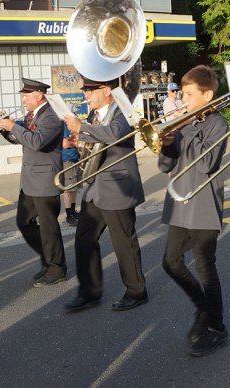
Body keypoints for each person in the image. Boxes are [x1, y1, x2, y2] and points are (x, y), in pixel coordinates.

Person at [158, 65, 229, 357]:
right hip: (179, 201)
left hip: (203, 203)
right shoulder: (184, 124)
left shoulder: (218, 124)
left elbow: (207, 163)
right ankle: (202, 306)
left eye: (188, 94)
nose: (183, 99)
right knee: (171, 262)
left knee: (204, 267)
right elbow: (165, 166)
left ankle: (216, 326)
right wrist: (167, 143)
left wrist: (184, 131)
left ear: (207, 95)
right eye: (183, 93)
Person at [63, 77, 147, 312]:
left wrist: (83, 129)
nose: (85, 96)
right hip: (95, 189)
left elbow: (114, 134)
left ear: (107, 90)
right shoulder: (93, 116)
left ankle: (136, 291)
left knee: (124, 244)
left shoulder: (122, 110)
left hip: (118, 187)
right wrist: (78, 141)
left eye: (90, 91)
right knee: (83, 241)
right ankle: (89, 291)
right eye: (86, 92)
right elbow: (96, 143)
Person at [0, 78, 67, 287]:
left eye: (26, 96)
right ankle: (48, 258)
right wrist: (5, 129)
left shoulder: (52, 115)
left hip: (45, 179)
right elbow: (21, 139)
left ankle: (57, 268)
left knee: (48, 228)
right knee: (24, 222)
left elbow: (37, 142)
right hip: (29, 180)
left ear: (38, 96)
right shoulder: (31, 115)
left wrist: (14, 127)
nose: (23, 99)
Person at [61, 124, 81, 227]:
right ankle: (69, 215)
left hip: (74, 158)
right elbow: (65, 144)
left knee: (74, 187)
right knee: (68, 189)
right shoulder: (63, 124)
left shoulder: (71, 123)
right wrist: (77, 144)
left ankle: (73, 211)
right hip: (67, 159)